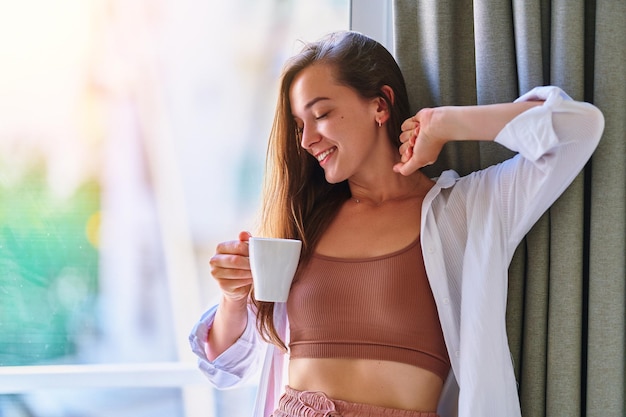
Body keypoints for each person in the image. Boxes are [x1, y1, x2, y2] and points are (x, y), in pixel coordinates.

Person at [189, 31, 604, 417]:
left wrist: (446, 124)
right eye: (299, 126)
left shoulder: (466, 210)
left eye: (322, 114)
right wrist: (233, 299)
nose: (306, 140)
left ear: (381, 105)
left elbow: (579, 129)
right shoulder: (302, 226)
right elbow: (226, 369)